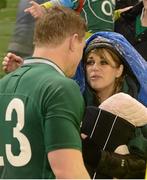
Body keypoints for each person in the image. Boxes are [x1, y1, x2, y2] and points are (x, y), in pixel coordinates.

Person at [0, 6, 90, 179]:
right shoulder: (61, 87)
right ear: (73, 41)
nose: (81, 58)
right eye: (82, 48)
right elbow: (69, 173)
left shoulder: (3, 84)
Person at [79, 32, 147, 179]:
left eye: (103, 62)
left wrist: (98, 157)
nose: (94, 68)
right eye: (90, 62)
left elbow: (139, 167)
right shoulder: (77, 101)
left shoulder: (135, 108)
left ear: (119, 70)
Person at [24, 0, 115, 37]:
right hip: (90, 39)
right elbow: (63, 2)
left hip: (101, 39)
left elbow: (102, 16)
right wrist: (44, 8)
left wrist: (118, 13)